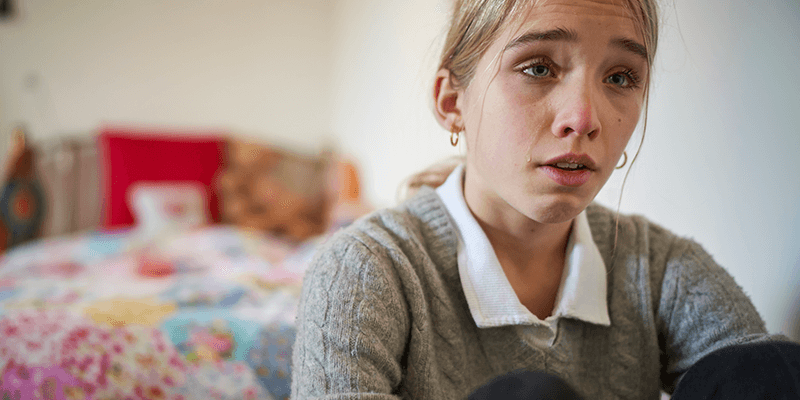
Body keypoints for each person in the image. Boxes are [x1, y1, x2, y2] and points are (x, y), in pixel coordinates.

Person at [291, 0, 798, 398]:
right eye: (538, 68)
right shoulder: (366, 271)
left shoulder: (663, 269)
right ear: (452, 102)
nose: (584, 117)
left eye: (620, 78)